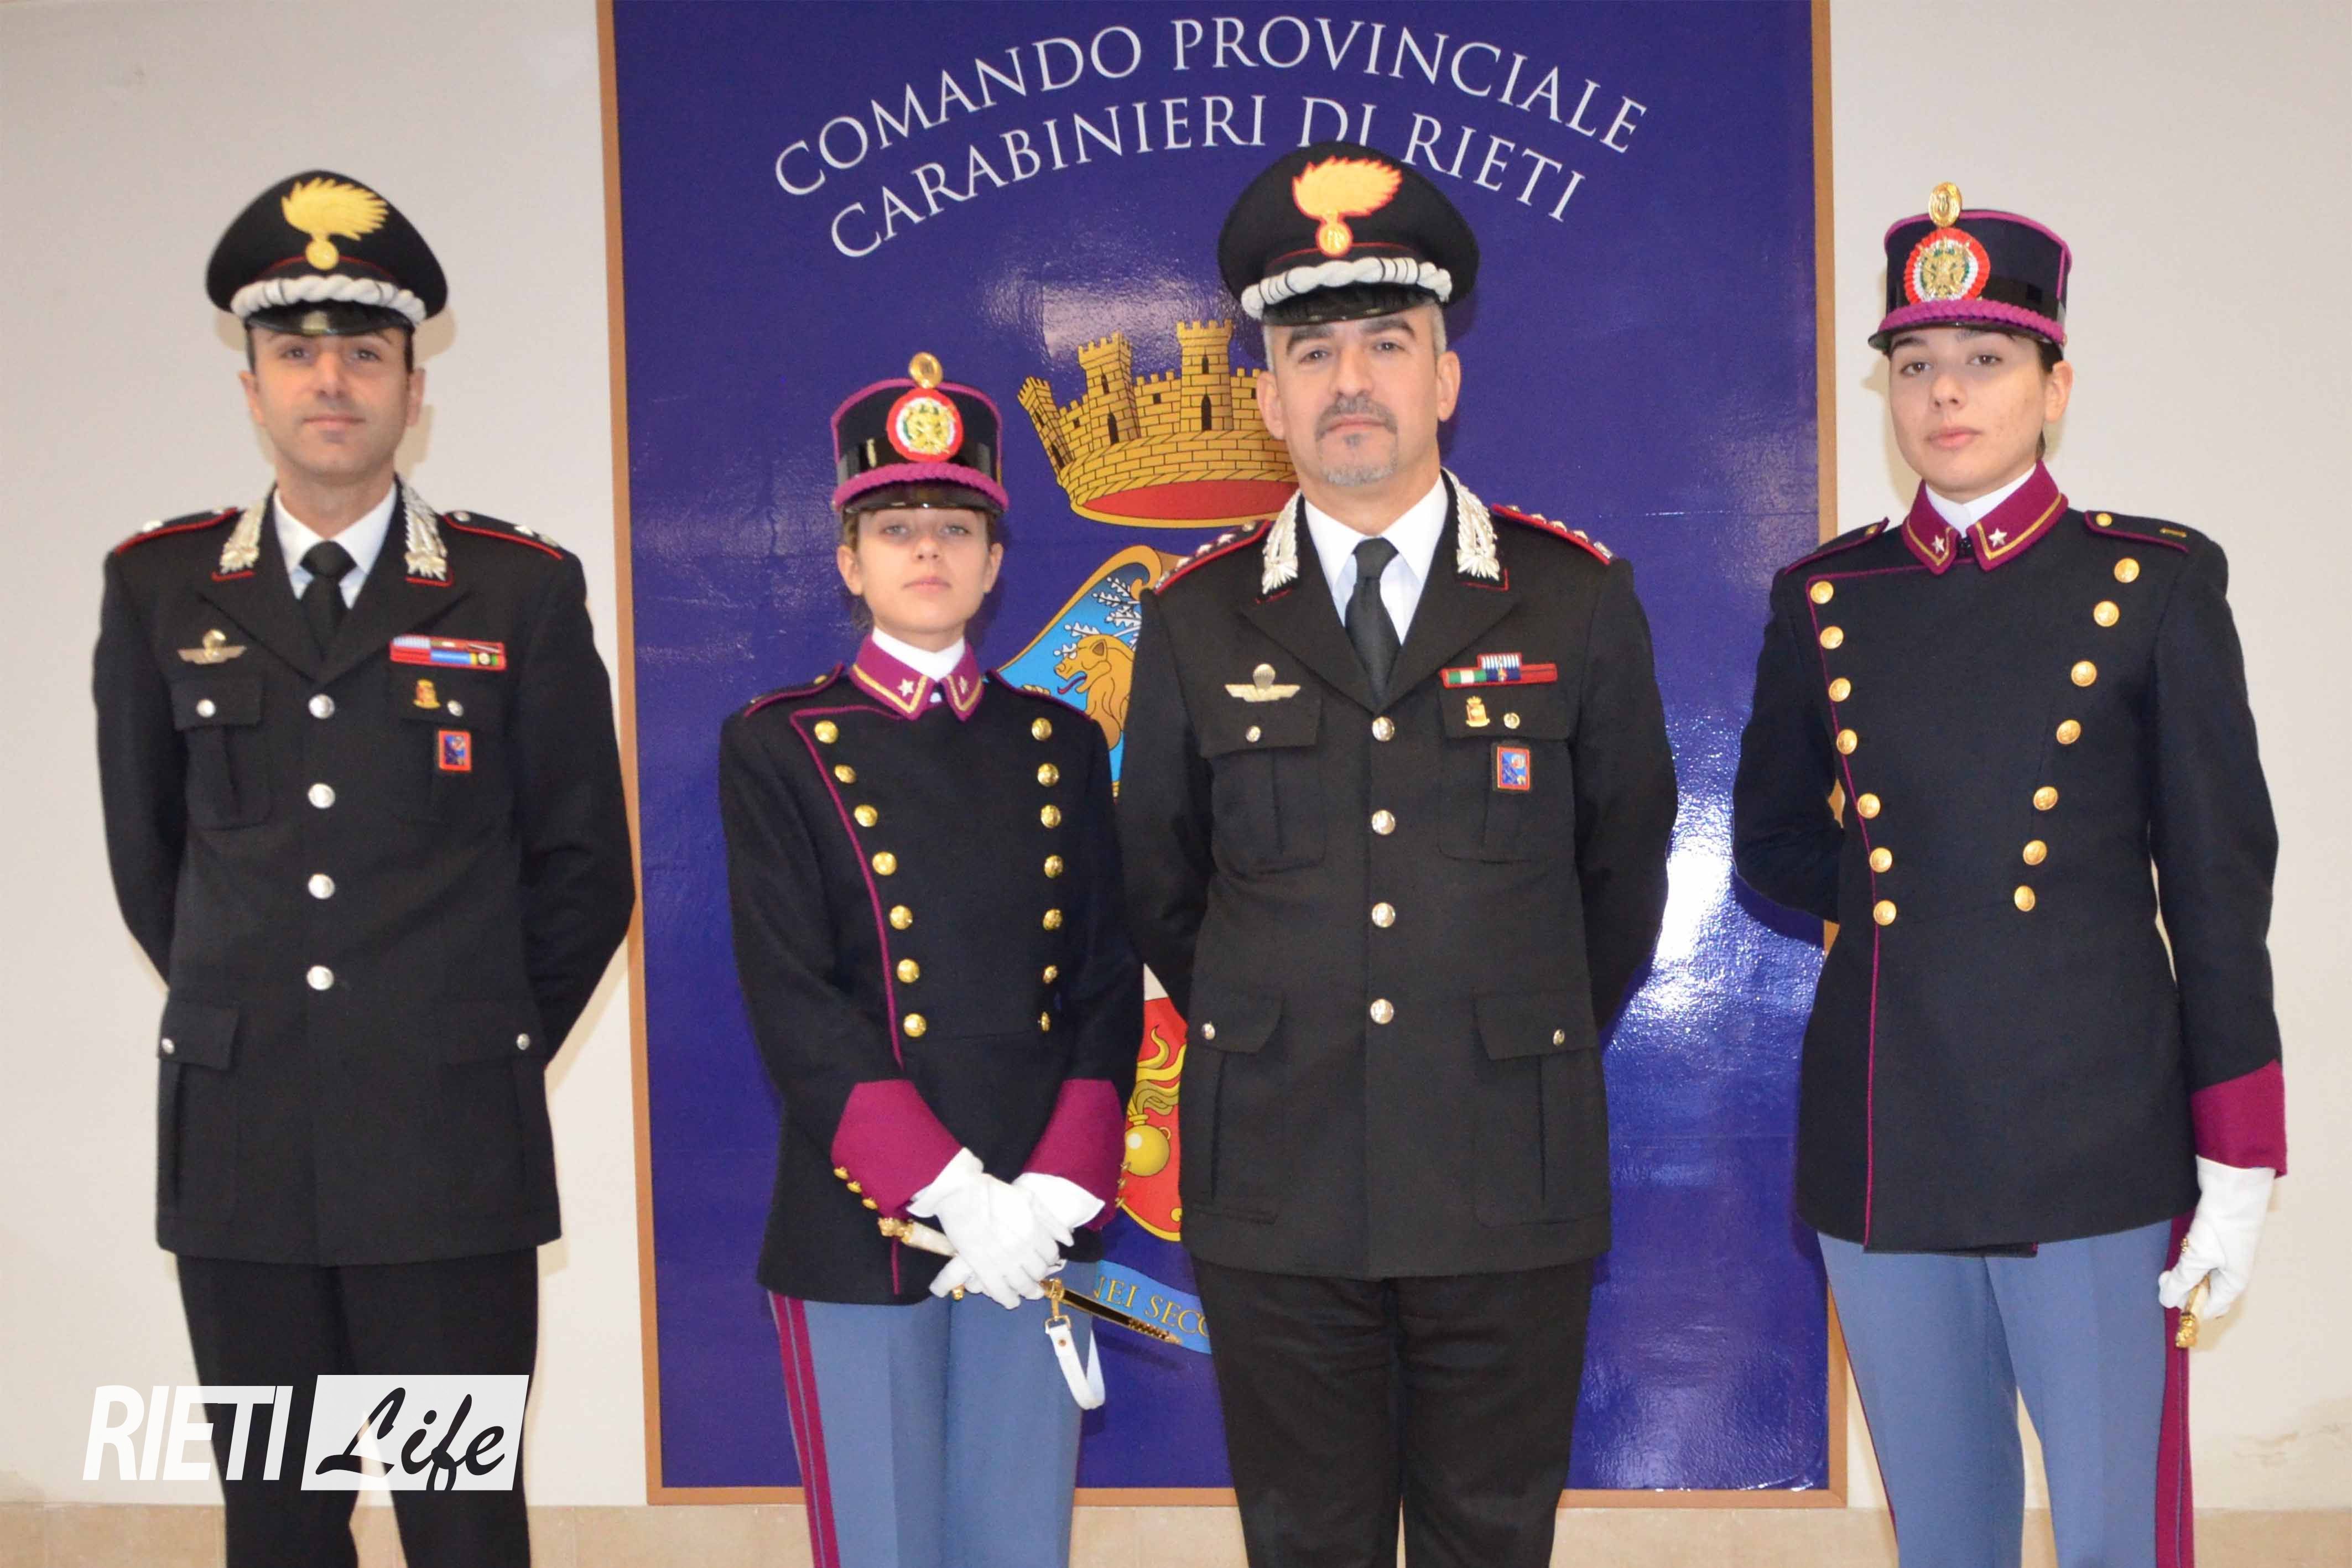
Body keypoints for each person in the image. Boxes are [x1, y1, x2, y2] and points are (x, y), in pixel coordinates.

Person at [1117, 143, 1679, 1568]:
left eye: (1385, 340)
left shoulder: (1570, 596)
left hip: (1502, 1165)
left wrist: (1511, 1022)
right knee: (1304, 1541)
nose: (1348, 379)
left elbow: (1620, 868)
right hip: (1277, 1175)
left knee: (1491, 1536)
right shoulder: (1193, 617)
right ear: (1265, 397)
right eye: (1310, 352)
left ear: (1445, 376)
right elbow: (1162, 884)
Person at [1732, 184, 2286, 1568]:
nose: (1945, 392)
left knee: (2106, 1532)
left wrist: (2237, 1149)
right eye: (1914, 362)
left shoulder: (2151, 582)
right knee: (1943, 1532)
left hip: (2090, 1132)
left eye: (1984, 358)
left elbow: (2217, 884)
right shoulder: (1825, 596)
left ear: (2054, 384)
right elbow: (1770, 839)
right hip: (1886, 1122)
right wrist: (1921, 897)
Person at [91, 170, 636, 1566]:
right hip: (245, 1148)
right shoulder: (159, 587)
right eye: (296, 352)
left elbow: (584, 868)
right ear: (252, 387)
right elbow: (152, 860)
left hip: (446, 1147)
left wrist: (472, 1032)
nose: (329, 381)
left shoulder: (516, 588)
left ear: (413, 390)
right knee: (280, 1518)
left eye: (365, 355)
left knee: (460, 1519)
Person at [718, 354, 1141, 1568]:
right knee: (884, 1547)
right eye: (894, 527)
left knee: (1017, 1545)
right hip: (867, 1219)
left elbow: (1104, 979)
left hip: (1034, 1216)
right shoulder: (780, 742)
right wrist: (948, 1189)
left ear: (995, 561)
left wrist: (1050, 1193)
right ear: (848, 561)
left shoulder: (1060, 739)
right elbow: (795, 997)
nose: (927, 550)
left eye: (955, 527)